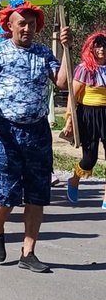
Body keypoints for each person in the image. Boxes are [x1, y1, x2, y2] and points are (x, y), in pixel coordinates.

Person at [0, 1, 72, 273]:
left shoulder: (42, 53)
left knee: (37, 193)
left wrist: (66, 49)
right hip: (6, 130)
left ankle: (28, 252)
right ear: (10, 25)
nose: (27, 28)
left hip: (38, 131)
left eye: (32, 24)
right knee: (6, 193)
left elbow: (62, 82)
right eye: (22, 23)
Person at [64, 31, 106, 208]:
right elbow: (72, 97)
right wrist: (69, 121)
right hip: (88, 115)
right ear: (92, 48)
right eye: (98, 46)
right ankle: (74, 180)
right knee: (90, 158)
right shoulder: (84, 69)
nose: (102, 49)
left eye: (104, 46)